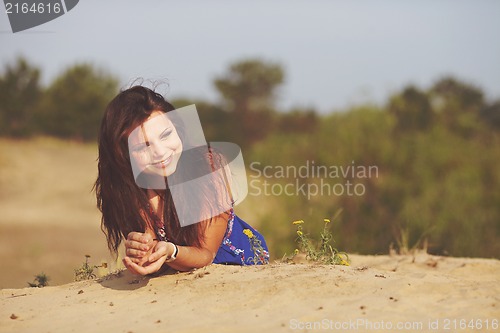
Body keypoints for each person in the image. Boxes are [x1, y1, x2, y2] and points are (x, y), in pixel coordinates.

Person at [95, 85, 269, 276]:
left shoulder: (208, 165)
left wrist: (170, 251)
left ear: (178, 130)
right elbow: (152, 247)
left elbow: (206, 254)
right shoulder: (127, 189)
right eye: (142, 147)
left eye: (166, 135)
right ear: (124, 156)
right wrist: (142, 248)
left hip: (240, 268)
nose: (160, 152)